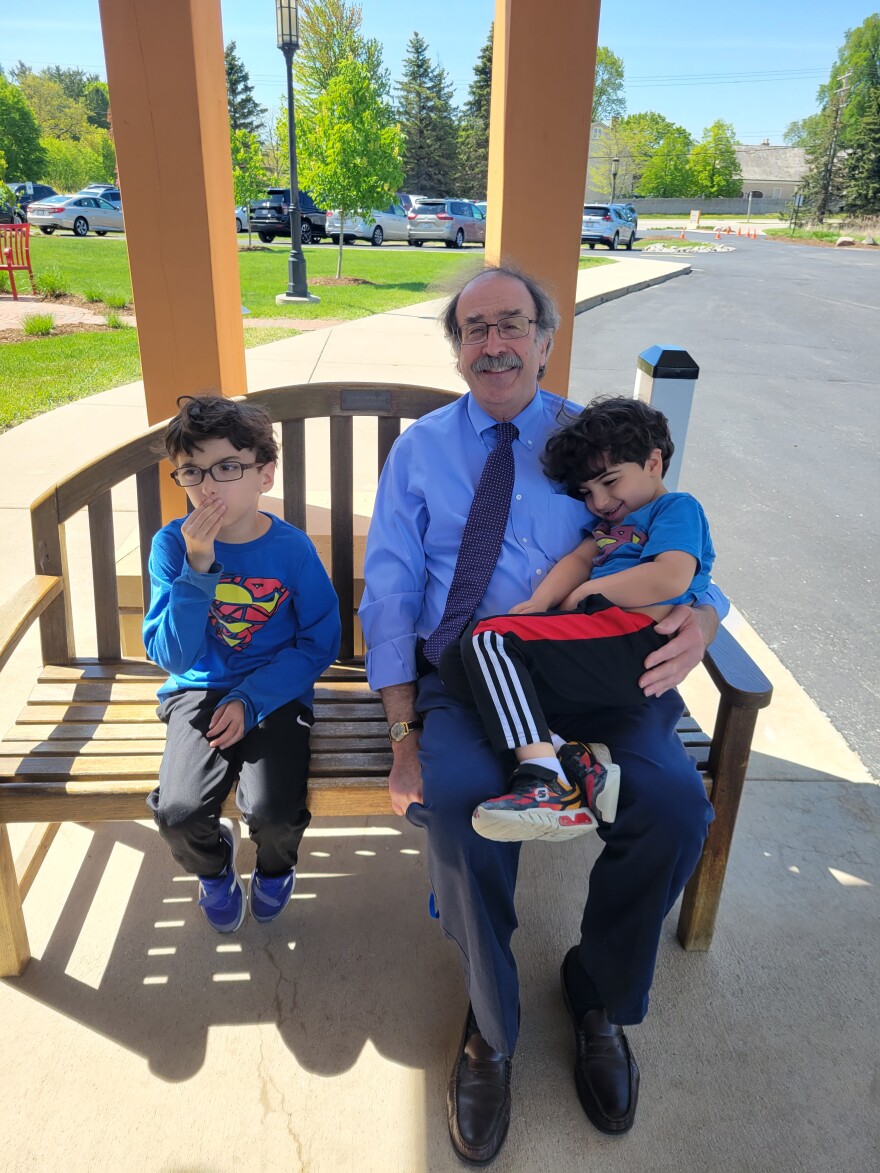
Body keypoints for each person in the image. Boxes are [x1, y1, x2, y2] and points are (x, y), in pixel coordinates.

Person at [359, 266, 728, 1165]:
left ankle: (597, 994)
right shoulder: (420, 451)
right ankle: (491, 1028)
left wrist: (708, 608)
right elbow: (392, 588)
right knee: (454, 800)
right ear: (456, 347)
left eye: (511, 324)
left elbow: (671, 538)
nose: (494, 342)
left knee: (676, 803)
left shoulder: (591, 440)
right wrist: (403, 731)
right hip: (469, 670)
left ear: (546, 337)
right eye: (474, 328)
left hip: (595, 667)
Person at [437, 395, 715, 844]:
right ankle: (572, 759)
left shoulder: (676, 509)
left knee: (490, 640)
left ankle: (545, 786)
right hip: (599, 639)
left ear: (653, 462)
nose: (600, 501)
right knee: (458, 659)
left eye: (610, 482)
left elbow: (672, 575)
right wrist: (540, 604)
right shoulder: (608, 527)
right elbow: (577, 560)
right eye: (587, 492)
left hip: (634, 639)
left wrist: (589, 594)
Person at [144, 395, 341, 934]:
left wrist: (252, 698)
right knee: (179, 813)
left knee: (274, 812)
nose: (208, 487)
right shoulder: (171, 548)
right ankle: (213, 871)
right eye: (192, 471)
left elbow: (319, 642)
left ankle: (276, 871)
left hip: (275, 692)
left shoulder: (292, 550)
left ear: (264, 474)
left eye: (228, 467)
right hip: (199, 692)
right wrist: (199, 568)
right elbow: (173, 656)